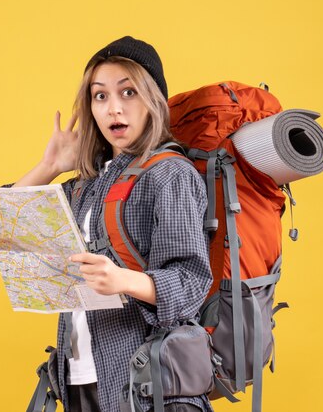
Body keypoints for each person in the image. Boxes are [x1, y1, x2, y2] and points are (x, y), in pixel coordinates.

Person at [14, 36, 213, 412]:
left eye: (128, 92)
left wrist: (124, 280)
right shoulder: (85, 185)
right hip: (80, 379)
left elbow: (191, 281)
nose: (113, 109)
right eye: (100, 96)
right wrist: (50, 167)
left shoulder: (169, 174)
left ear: (152, 100)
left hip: (148, 384)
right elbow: (0, 229)